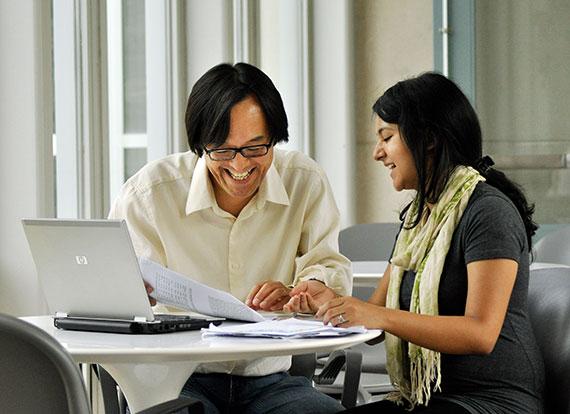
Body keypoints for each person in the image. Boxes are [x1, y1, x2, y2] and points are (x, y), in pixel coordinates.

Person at [109, 62, 350, 414]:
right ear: (200, 145)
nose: (240, 166)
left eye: (255, 148)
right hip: (178, 378)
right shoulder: (149, 195)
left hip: (272, 382)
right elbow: (118, 303)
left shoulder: (304, 181)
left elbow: (328, 265)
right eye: (222, 150)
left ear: (275, 138)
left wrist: (304, 288)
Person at [314, 72, 545, 413]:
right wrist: (326, 302)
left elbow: (481, 334)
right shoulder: (418, 219)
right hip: (427, 398)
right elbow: (376, 318)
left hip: (491, 401)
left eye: (387, 137)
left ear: (429, 139)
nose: (378, 153)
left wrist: (379, 316)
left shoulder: (488, 212)